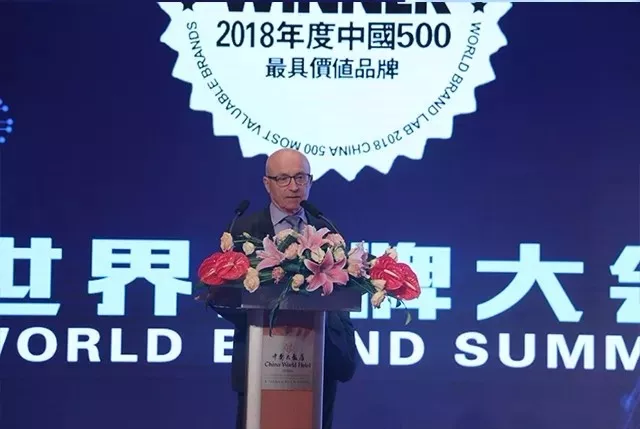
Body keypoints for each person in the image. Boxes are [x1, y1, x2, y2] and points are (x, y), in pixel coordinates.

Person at [215, 148, 358, 429]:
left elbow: (340, 288)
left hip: (319, 361)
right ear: (267, 183)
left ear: (310, 181)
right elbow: (224, 294)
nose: (293, 186)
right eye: (283, 178)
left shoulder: (327, 229)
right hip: (260, 360)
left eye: (300, 177)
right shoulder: (244, 229)